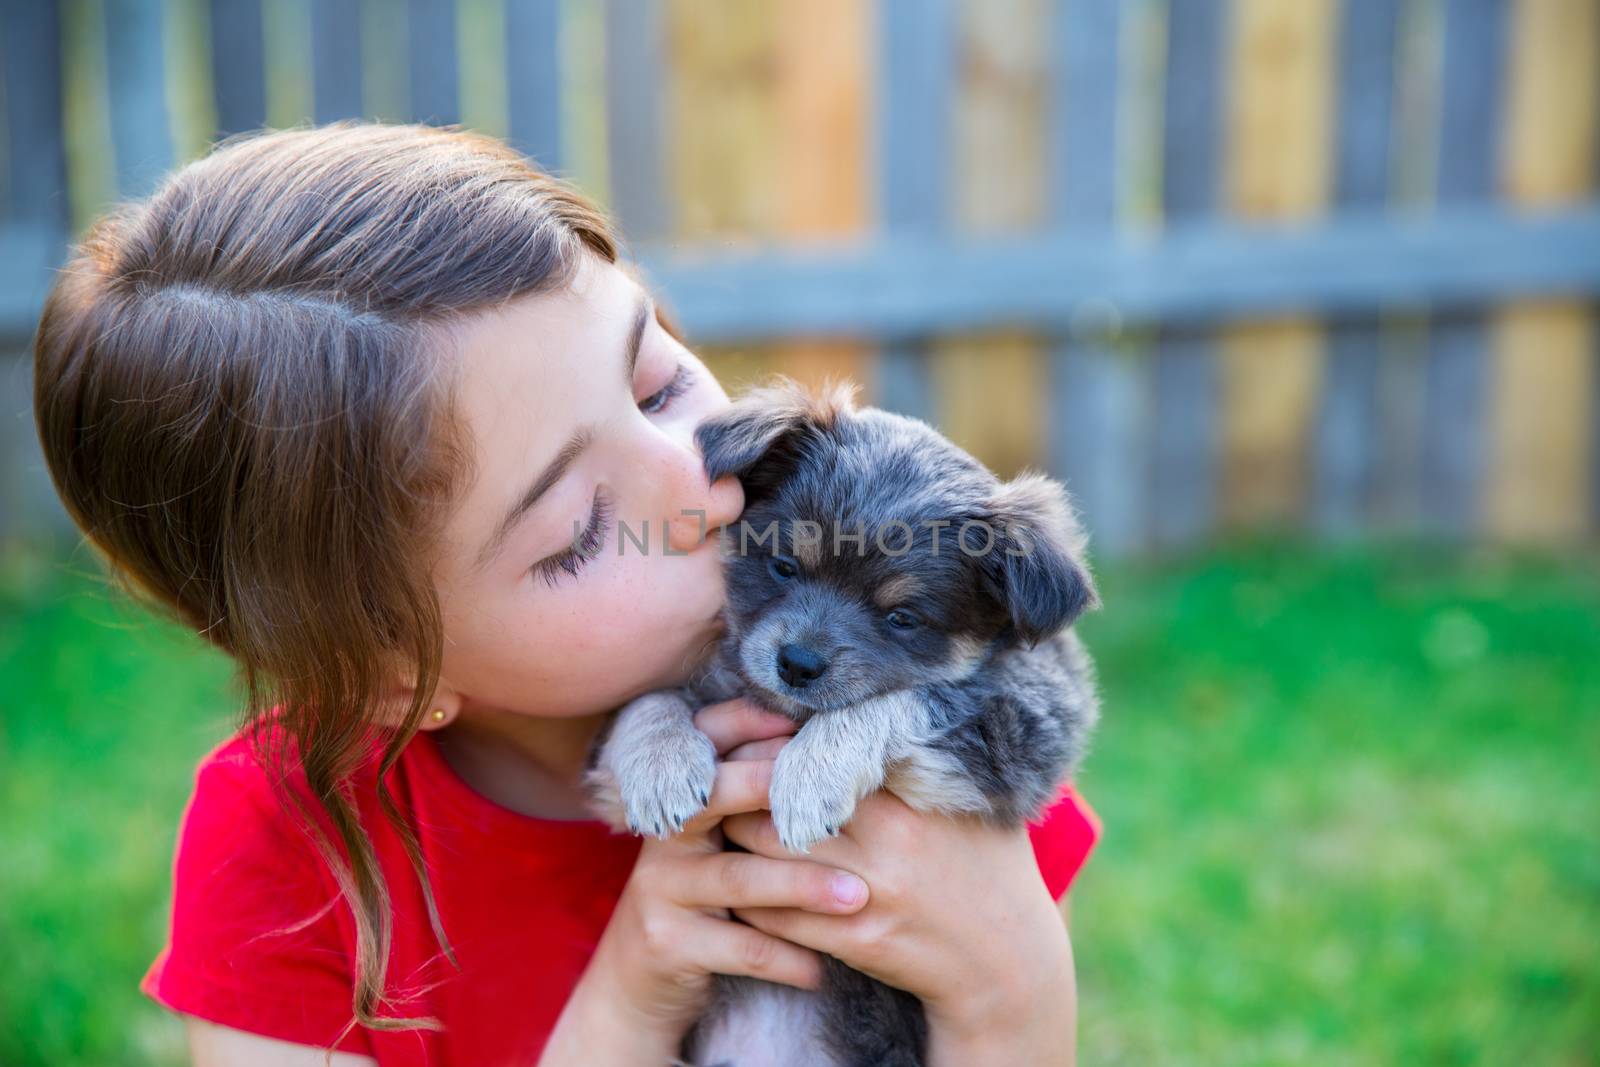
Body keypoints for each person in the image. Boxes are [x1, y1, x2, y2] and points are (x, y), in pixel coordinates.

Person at [32, 120, 1100, 1066]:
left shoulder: (913, 770)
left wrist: (1011, 983)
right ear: (390, 668)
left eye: (657, 383)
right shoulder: (284, 848)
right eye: (579, 531)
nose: (693, 482)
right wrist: (635, 990)